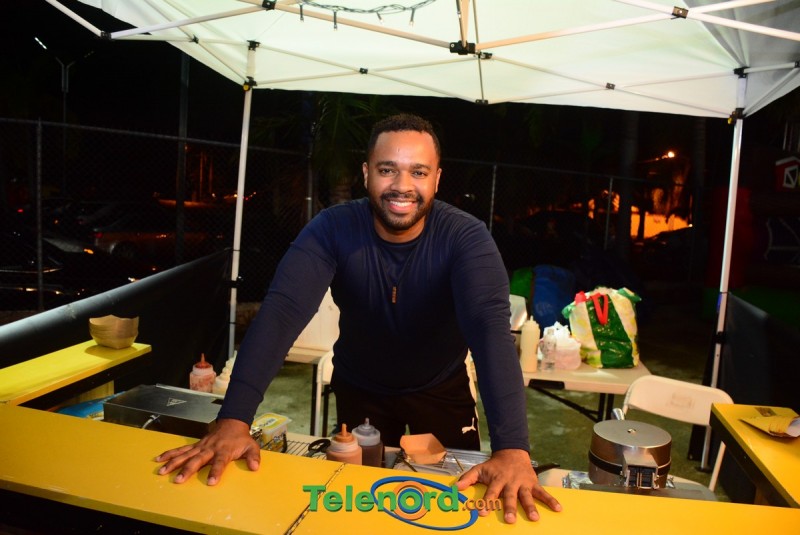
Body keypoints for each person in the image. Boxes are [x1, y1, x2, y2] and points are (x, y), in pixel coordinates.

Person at [156, 113, 562, 524]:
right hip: (361, 388)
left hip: (441, 389)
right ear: (367, 174)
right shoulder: (333, 229)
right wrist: (234, 418)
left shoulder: (466, 238)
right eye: (388, 170)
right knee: (357, 509)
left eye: (418, 172)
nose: (402, 185)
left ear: (437, 179)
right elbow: (280, 314)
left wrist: (513, 448)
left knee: (455, 508)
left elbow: (490, 334)